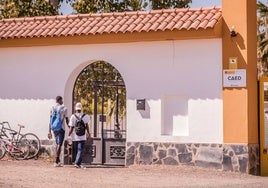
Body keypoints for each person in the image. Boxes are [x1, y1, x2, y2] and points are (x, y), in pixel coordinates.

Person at [48, 96, 69, 167]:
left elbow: (50, 121)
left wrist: (49, 131)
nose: (62, 101)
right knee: (60, 144)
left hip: (54, 128)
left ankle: (58, 161)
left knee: (57, 143)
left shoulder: (52, 108)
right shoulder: (64, 109)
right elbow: (67, 120)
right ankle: (56, 161)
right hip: (61, 128)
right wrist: (70, 128)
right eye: (62, 100)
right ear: (60, 100)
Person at [68, 102, 90, 169]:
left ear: (75, 108)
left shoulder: (73, 116)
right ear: (81, 108)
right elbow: (87, 126)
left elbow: (71, 127)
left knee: (77, 150)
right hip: (82, 136)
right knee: (80, 149)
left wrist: (69, 134)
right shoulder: (85, 116)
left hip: (75, 136)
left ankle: (78, 163)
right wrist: (88, 133)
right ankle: (77, 163)